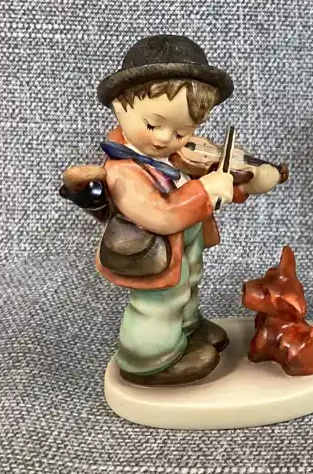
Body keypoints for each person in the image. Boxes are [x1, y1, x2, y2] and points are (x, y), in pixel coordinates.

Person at [61, 35, 282, 385]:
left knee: (187, 286)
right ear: (120, 107)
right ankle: (148, 358)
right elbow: (160, 215)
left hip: (184, 245)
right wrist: (205, 191)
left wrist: (248, 183)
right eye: (153, 125)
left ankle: (187, 328)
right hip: (152, 251)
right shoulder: (124, 172)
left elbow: (204, 178)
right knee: (158, 303)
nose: (165, 139)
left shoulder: (173, 156)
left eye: (182, 132)